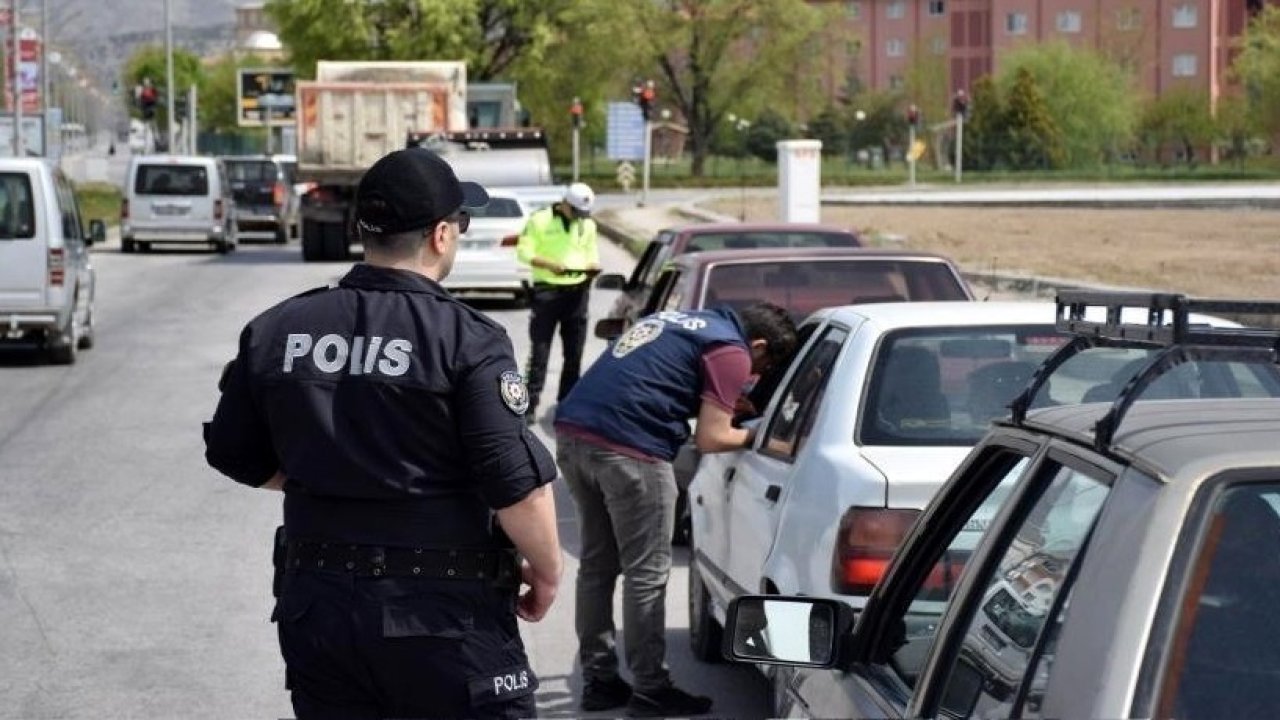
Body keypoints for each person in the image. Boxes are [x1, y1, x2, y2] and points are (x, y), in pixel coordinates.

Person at [203, 147, 562, 720]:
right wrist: (545, 572)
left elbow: (231, 451)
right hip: (442, 618)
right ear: (442, 235)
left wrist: (331, 479)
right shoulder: (468, 340)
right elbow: (515, 485)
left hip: (317, 611)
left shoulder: (277, 328)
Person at [554, 303, 798, 717]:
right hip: (632, 452)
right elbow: (712, 437)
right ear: (758, 345)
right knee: (646, 574)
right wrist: (760, 437)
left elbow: (652, 379)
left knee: (597, 566)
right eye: (765, 362)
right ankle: (651, 689)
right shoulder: (731, 349)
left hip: (575, 437)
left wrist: (713, 401)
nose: (756, 374)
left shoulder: (678, 320)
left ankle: (600, 681)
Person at [515, 182, 600, 424]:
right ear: (565, 204)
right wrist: (548, 264)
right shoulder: (540, 220)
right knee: (540, 351)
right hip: (548, 292)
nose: (579, 218)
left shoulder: (588, 224)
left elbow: (591, 251)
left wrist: (593, 265)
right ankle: (529, 406)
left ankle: (567, 404)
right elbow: (524, 251)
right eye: (575, 212)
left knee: (574, 353)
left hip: (578, 291)